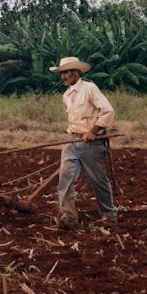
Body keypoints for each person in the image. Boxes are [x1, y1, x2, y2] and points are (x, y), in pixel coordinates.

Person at [49, 56, 117, 229]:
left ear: (76, 72)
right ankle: (68, 217)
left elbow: (108, 111)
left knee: (98, 180)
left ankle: (109, 216)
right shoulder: (66, 95)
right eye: (62, 74)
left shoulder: (89, 88)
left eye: (67, 73)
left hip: (91, 144)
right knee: (65, 178)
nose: (64, 77)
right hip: (72, 140)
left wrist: (93, 131)